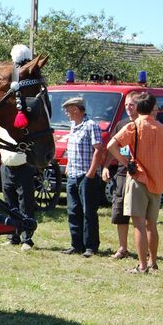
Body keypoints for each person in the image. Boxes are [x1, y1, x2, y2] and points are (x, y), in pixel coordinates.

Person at [107, 92, 163, 274]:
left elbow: (112, 145)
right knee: (152, 224)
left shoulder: (134, 126)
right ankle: (153, 261)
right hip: (158, 181)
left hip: (138, 179)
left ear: (138, 107)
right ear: (152, 108)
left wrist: (126, 162)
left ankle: (142, 265)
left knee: (139, 224)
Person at [61, 96, 104, 258]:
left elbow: (99, 149)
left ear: (76, 109)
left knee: (88, 212)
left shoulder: (91, 125)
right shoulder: (73, 126)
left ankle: (91, 246)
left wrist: (91, 172)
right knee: (73, 211)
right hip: (72, 174)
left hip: (86, 175)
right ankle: (76, 244)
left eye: (68, 109)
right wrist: (67, 167)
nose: (67, 113)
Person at [102, 91, 141, 260]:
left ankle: (142, 249)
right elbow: (113, 148)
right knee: (119, 212)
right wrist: (105, 167)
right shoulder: (121, 124)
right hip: (121, 175)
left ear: (139, 105)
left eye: (131, 104)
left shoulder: (144, 125)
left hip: (139, 175)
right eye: (126, 105)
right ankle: (122, 248)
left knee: (139, 214)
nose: (128, 108)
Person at [0, 124, 36, 250]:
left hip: (24, 167)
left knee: (25, 203)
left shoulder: (23, 124)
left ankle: (26, 239)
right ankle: (12, 236)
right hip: (6, 166)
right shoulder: (1, 125)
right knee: (9, 204)